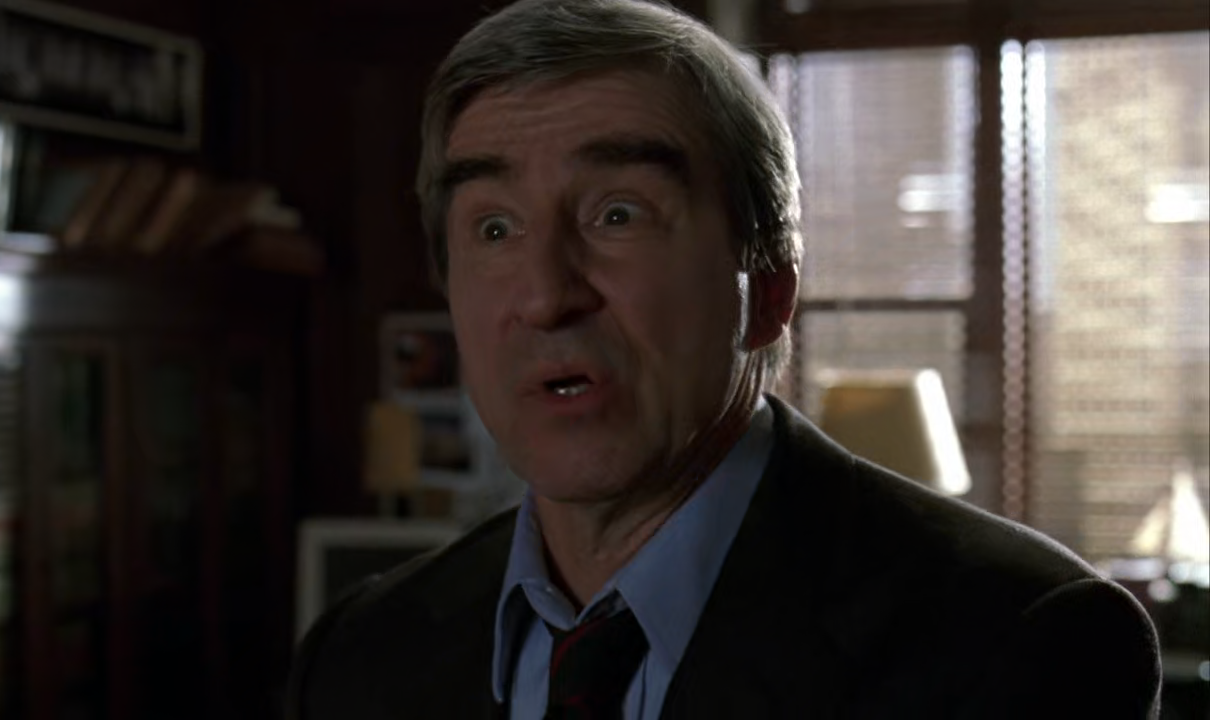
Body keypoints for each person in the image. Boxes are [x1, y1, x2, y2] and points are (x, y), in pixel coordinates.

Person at [287, 0, 1162, 717]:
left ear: (769, 289)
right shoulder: (361, 656)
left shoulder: (1019, 642)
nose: (545, 295)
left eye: (617, 215)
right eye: (494, 229)